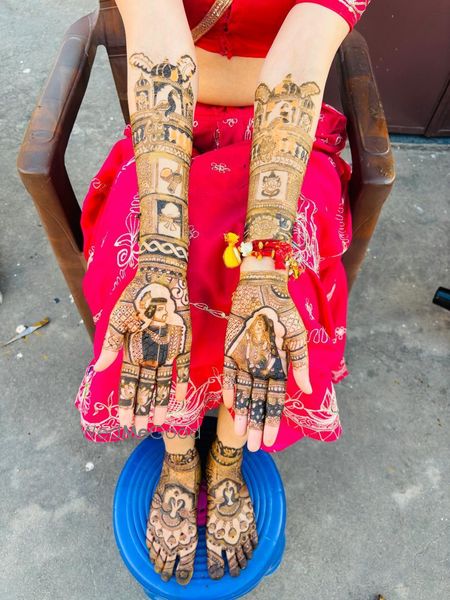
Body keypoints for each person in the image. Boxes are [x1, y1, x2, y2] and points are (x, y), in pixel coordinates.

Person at [75, 0, 370, 585]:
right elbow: (158, 44)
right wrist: (161, 258)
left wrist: (264, 268)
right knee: (146, 277)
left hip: (287, 134)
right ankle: (180, 456)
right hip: (170, 125)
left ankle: (228, 456)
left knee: (275, 294)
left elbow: (300, 60)